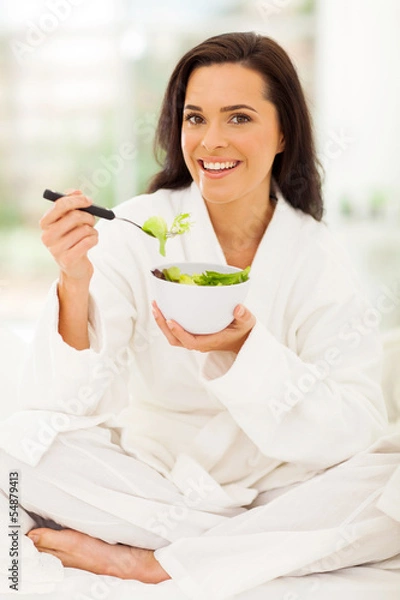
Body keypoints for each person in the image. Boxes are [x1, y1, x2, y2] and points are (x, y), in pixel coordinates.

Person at [1, 31, 399, 599]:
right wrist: (74, 279)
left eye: (238, 118)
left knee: (392, 478)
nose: (211, 141)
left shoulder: (317, 255)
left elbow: (356, 427)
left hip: (280, 488)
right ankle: (240, 550)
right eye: (195, 118)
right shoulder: (138, 229)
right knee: (17, 445)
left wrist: (245, 350)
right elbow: (63, 403)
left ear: (283, 131)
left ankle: (155, 565)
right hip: (152, 478)